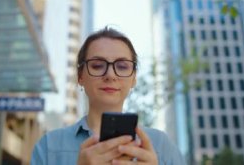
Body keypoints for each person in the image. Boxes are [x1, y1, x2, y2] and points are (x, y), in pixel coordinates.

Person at [31, 27, 185, 165]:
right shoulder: (48, 146)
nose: (110, 75)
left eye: (122, 66)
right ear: (80, 76)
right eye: (97, 66)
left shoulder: (162, 147)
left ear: (133, 78)